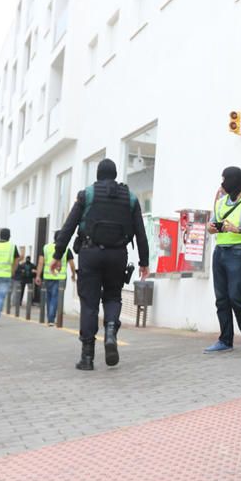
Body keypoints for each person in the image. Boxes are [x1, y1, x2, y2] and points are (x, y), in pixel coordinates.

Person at [51, 159, 149, 370]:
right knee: (113, 296)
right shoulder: (130, 198)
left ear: (97, 175)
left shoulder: (87, 195)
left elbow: (68, 226)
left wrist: (58, 255)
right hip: (118, 255)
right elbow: (140, 232)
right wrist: (144, 262)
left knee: (89, 303)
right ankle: (111, 330)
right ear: (115, 175)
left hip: (90, 253)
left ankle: (87, 358)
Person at [203, 166, 241, 354]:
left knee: (236, 296)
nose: (222, 183)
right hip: (220, 252)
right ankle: (225, 340)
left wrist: (237, 230)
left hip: (238, 252)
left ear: (235, 180)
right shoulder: (221, 202)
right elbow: (211, 227)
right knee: (221, 299)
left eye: (225, 179)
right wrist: (212, 227)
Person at [35, 230, 77, 326]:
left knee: (49, 298)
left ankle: (50, 317)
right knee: (55, 298)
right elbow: (72, 264)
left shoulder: (46, 248)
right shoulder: (66, 249)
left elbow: (41, 262)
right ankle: (51, 319)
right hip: (60, 278)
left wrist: (38, 275)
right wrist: (73, 275)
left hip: (47, 276)